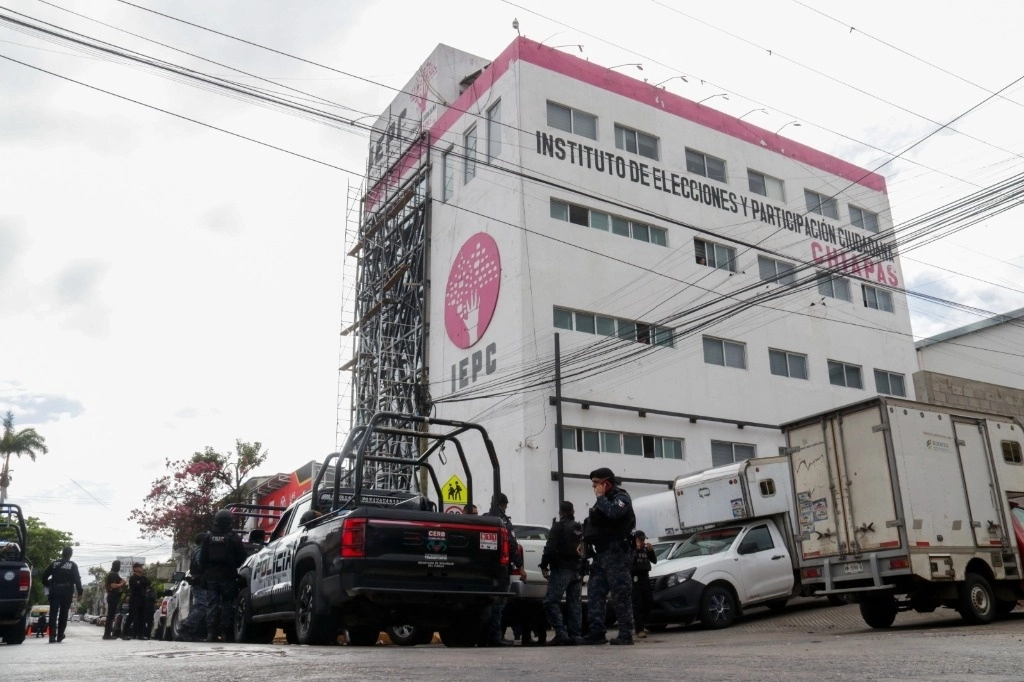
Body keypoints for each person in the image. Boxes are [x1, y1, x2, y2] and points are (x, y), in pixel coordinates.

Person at [580, 467, 635, 645]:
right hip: (601, 554)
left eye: (596, 483)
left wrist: (601, 497)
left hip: (617, 553)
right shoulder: (601, 502)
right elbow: (593, 524)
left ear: (607, 483)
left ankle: (625, 634)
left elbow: (614, 513)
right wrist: (584, 542)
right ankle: (596, 632)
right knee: (595, 592)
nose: (593, 487)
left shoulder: (621, 498)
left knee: (620, 594)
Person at [483, 492, 526, 646]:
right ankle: (495, 636)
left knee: (485, 604)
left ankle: (484, 637)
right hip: (500, 569)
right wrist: (520, 567)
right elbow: (512, 546)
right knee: (498, 604)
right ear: (502, 505)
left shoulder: (484, 519)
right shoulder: (503, 522)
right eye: (505, 506)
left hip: (484, 569)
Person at [539, 500, 584, 646]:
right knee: (575, 603)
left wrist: (544, 565)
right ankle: (575, 635)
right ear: (573, 511)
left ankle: (561, 633)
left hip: (561, 569)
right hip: (576, 570)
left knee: (551, 601)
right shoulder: (579, 528)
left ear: (560, 512)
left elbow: (550, 548)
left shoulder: (558, 527)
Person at [199, 509, 245, 642]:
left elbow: (202, 559)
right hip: (228, 577)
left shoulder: (208, 537)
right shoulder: (234, 537)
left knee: (212, 606)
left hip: (211, 578)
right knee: (228, 605)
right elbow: (242, 558)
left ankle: (211, 634)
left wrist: (204, 575)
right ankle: (225, 633)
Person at [41, 546, 83, 643]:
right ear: (71, 555)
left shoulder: (54, 564)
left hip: (55, 590)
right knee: (64, 613)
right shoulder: (72, 565)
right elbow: (77, 580)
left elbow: (44, 577)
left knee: (53, 613)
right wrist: (80, 593)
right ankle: (60, 635)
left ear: (62, 553)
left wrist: (49, 585)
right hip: (67, 591)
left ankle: (52, 636)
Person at [176, 531, 209, 642]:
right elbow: (201, 565)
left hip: (201, 582)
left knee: (199, 607)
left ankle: (190, 632)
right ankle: (185, 627)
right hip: (199, 583)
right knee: (202, 606)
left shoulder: (201, 551)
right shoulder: (200, 551)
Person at [630, 530, 657, 638]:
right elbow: (630, 563)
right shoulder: (631, 549)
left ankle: (641, 623)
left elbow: (654, 561)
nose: (642, 541)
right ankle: (639, 629)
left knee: (649, 602)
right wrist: (637, 549)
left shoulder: (645, 549)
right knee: (637, 605)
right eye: (640, 539)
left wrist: (651, 551)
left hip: (645, 577)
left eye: (643, 539)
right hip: (635, 579)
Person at [102, 560, 126, 640]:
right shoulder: (112, 574)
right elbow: (113, 585)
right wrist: (121, 584)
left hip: (114, 596)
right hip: (112, 595)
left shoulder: (115, 574)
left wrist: (122, 582)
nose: (119, 568)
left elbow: (123, 581)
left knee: (111, 616)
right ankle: (107, 634)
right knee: (110, 616)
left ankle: (108, 634)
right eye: (118, 566)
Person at [127, 562, 152, 640]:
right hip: (134, 599)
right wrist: (141, 583)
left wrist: (140, 582)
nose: (141, 568)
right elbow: (135, 586)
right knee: (132, 616)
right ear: (135, 569)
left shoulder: (143, 577)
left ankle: (141, 635)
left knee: (142, 617)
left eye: (141, 567)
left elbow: (149, 583)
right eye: (140, 567)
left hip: (143, 599)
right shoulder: (132, 578)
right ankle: (126, 634)